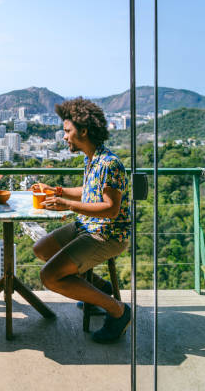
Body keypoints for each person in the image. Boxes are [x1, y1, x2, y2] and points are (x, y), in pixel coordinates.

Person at [32, 98, 131, 343]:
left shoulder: (109, 164)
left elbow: (110, 209)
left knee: (49, 276)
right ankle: (100, 289)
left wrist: (67, 205)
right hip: (87, 225)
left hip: (106, 234)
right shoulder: (92, 158)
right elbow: (89, 192)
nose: (64, 137)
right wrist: (58, 191)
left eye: (67, 131)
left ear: (83, 131)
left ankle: (118, 311)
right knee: (41, 248)